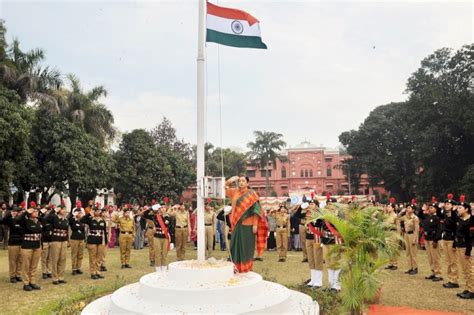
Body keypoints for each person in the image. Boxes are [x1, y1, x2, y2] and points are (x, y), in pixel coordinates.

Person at [225, 175, 268, 273]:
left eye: (243, 181)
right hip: (236, 223)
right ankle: (235, 267)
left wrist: (255, 224)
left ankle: (246, 268)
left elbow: (256, 210)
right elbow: (223, 189)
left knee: (246, 247)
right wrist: (229, 181)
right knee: (234, 246)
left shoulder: (252, 194)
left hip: (248, 225)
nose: (241, 182)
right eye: (239, 181)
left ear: (247, 183)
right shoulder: (234, 192)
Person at [16, 201, 43, 291]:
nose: (36, 213)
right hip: (27, 246)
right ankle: (26, 283)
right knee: (26, 265)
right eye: (34, 211)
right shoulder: (25, 221)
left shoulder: (39, 222)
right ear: (30, 213)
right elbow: (18, 220)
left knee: (34, 265)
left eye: (36, 211)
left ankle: (33, 281)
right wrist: (26, 212)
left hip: (37, 245)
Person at [454, 195, 473, 299]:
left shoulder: (471, 220)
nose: (458, 209)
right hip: (460, 246)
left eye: (460, 208)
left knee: (470, 269)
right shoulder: (460, 219)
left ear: (466, 209)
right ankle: (468, 287)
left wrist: (468, 251)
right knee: (464, 269)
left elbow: (471, 238)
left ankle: (472, 290)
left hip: (467, 247)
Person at [321, 200, 343, 292]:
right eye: (328, 204)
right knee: (328, 262)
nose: (329, 206)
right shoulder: (324, 215)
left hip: (335, 240)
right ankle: (331, 284)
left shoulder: (339, 215)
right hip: (326, 240)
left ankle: (337, 285)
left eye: (331, 204)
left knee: (336, 262)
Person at [81, 206, 107, 280]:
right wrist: (89, 214)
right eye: (96, 211)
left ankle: (98, 271)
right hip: (92, 240)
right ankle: (93, 272)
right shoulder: (90, 219)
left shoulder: (102, 221)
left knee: (99, 257)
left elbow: (104, 232)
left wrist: (105, 242)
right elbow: (82, 220)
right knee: (93, 257)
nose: (98, 212)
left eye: (99, 211)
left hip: (100, 240)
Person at [0, 206, 23, 283]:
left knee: (20, 260)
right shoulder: (10, 220)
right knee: (13, 260)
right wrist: (9, 214)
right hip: (13, 242)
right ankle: (12, 276)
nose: (18, 213)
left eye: (20, 212)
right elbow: (2, 220)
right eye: (17, 211)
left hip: (22, 242)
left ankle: (18, 274)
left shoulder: (23, 220)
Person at [48, 203, 69, 285]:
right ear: (59, 210)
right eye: (63, 209)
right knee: (55, 259)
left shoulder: (66, 219)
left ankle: (61, 277)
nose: (64, 211)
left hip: (63, 240)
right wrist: (54, 210)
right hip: (56, 240)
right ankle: (55, 278)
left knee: (62, 259)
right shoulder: (54, 217)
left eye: (65, 209)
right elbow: (47, 218)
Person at [442, 194, 460, 289]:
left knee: (453, 261)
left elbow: (457, 228)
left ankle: (454, 281)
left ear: (453, 206)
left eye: (448, 204)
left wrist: (455, 242)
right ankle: (450, 279)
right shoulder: (445, 215)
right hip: (445, 239)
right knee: (448, 261)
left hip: (451, 240)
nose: (446, 205)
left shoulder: (455, 216)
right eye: (445, 204)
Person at [424, 200, 443, 282]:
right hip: (427, 239)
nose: (430, 209)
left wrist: (436, 240)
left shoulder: (437, 218)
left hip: (434, 240)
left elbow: (440, 230)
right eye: (429, 208)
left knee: (436, 258)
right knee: (430, 257)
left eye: (432, 208)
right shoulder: (428, 217)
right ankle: (433, 272)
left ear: (435, 209)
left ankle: (438, 274)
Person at [398, 200, 420, 275]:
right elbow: (398, 217)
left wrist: (414, 239)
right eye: (407, 208)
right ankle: (410, 267)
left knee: (413, 253)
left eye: (409, 208)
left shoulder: (415, 218)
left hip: (412, 235)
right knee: (408, 252)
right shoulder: (405, 217)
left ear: (413, 210)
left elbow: (417, 230)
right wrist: (402, 211)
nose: (407, 209)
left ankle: (415, 268)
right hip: (406, 235)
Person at [305, 200, 323, 288]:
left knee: (317, 259)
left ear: (316, 205)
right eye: (310, 204)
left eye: (312, 204)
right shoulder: (307, 213)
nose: (310, 205)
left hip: (316, 237)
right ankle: (313, 279)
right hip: (308, 237)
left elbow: (320, 224)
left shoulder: (320, 214)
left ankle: (319, 281)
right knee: (311, 259)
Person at [153, 205, 172, 272]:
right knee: (157, 254)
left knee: (164, 254)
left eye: (164, 207)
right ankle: (158, 269)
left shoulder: (168, 217)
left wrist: (164, 216)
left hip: (165, 237)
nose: (163, 209)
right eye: (161, 207)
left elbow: (167, 225)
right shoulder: (156, 216)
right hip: (157, 236)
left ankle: (164, 269)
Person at [68, 207, 85, 276]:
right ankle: (74, 268)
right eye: (78, 213)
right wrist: (73, 215)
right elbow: (68, 219)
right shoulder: (72, 220)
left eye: (80, 213)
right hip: (74, 238)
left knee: (80, 254)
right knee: (74, 254)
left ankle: (78, 267)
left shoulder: (81, 221)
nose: (80, 214)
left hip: (81, 238)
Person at [39, 204, 53, 279]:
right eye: (46, 210)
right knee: (44, 257)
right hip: (44, 240)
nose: (47, 212)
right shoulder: (42, 219)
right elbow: (39, 218)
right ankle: (44, 272)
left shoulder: (52, 218)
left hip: (51, 240)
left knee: (50, 257)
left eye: (49, 210)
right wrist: (41, 212)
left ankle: (49, 271)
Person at [384, 198, 399, 270]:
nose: (387, 208)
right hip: (387, 233)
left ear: (393, 208)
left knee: (393, 249)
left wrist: (398, 236)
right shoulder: (386, 216)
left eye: (389, 207)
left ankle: (395, 263)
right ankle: (390, 263)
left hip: (393, 233)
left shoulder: (395, 216)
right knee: (388, 249)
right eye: (387, 207)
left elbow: (398, 227)